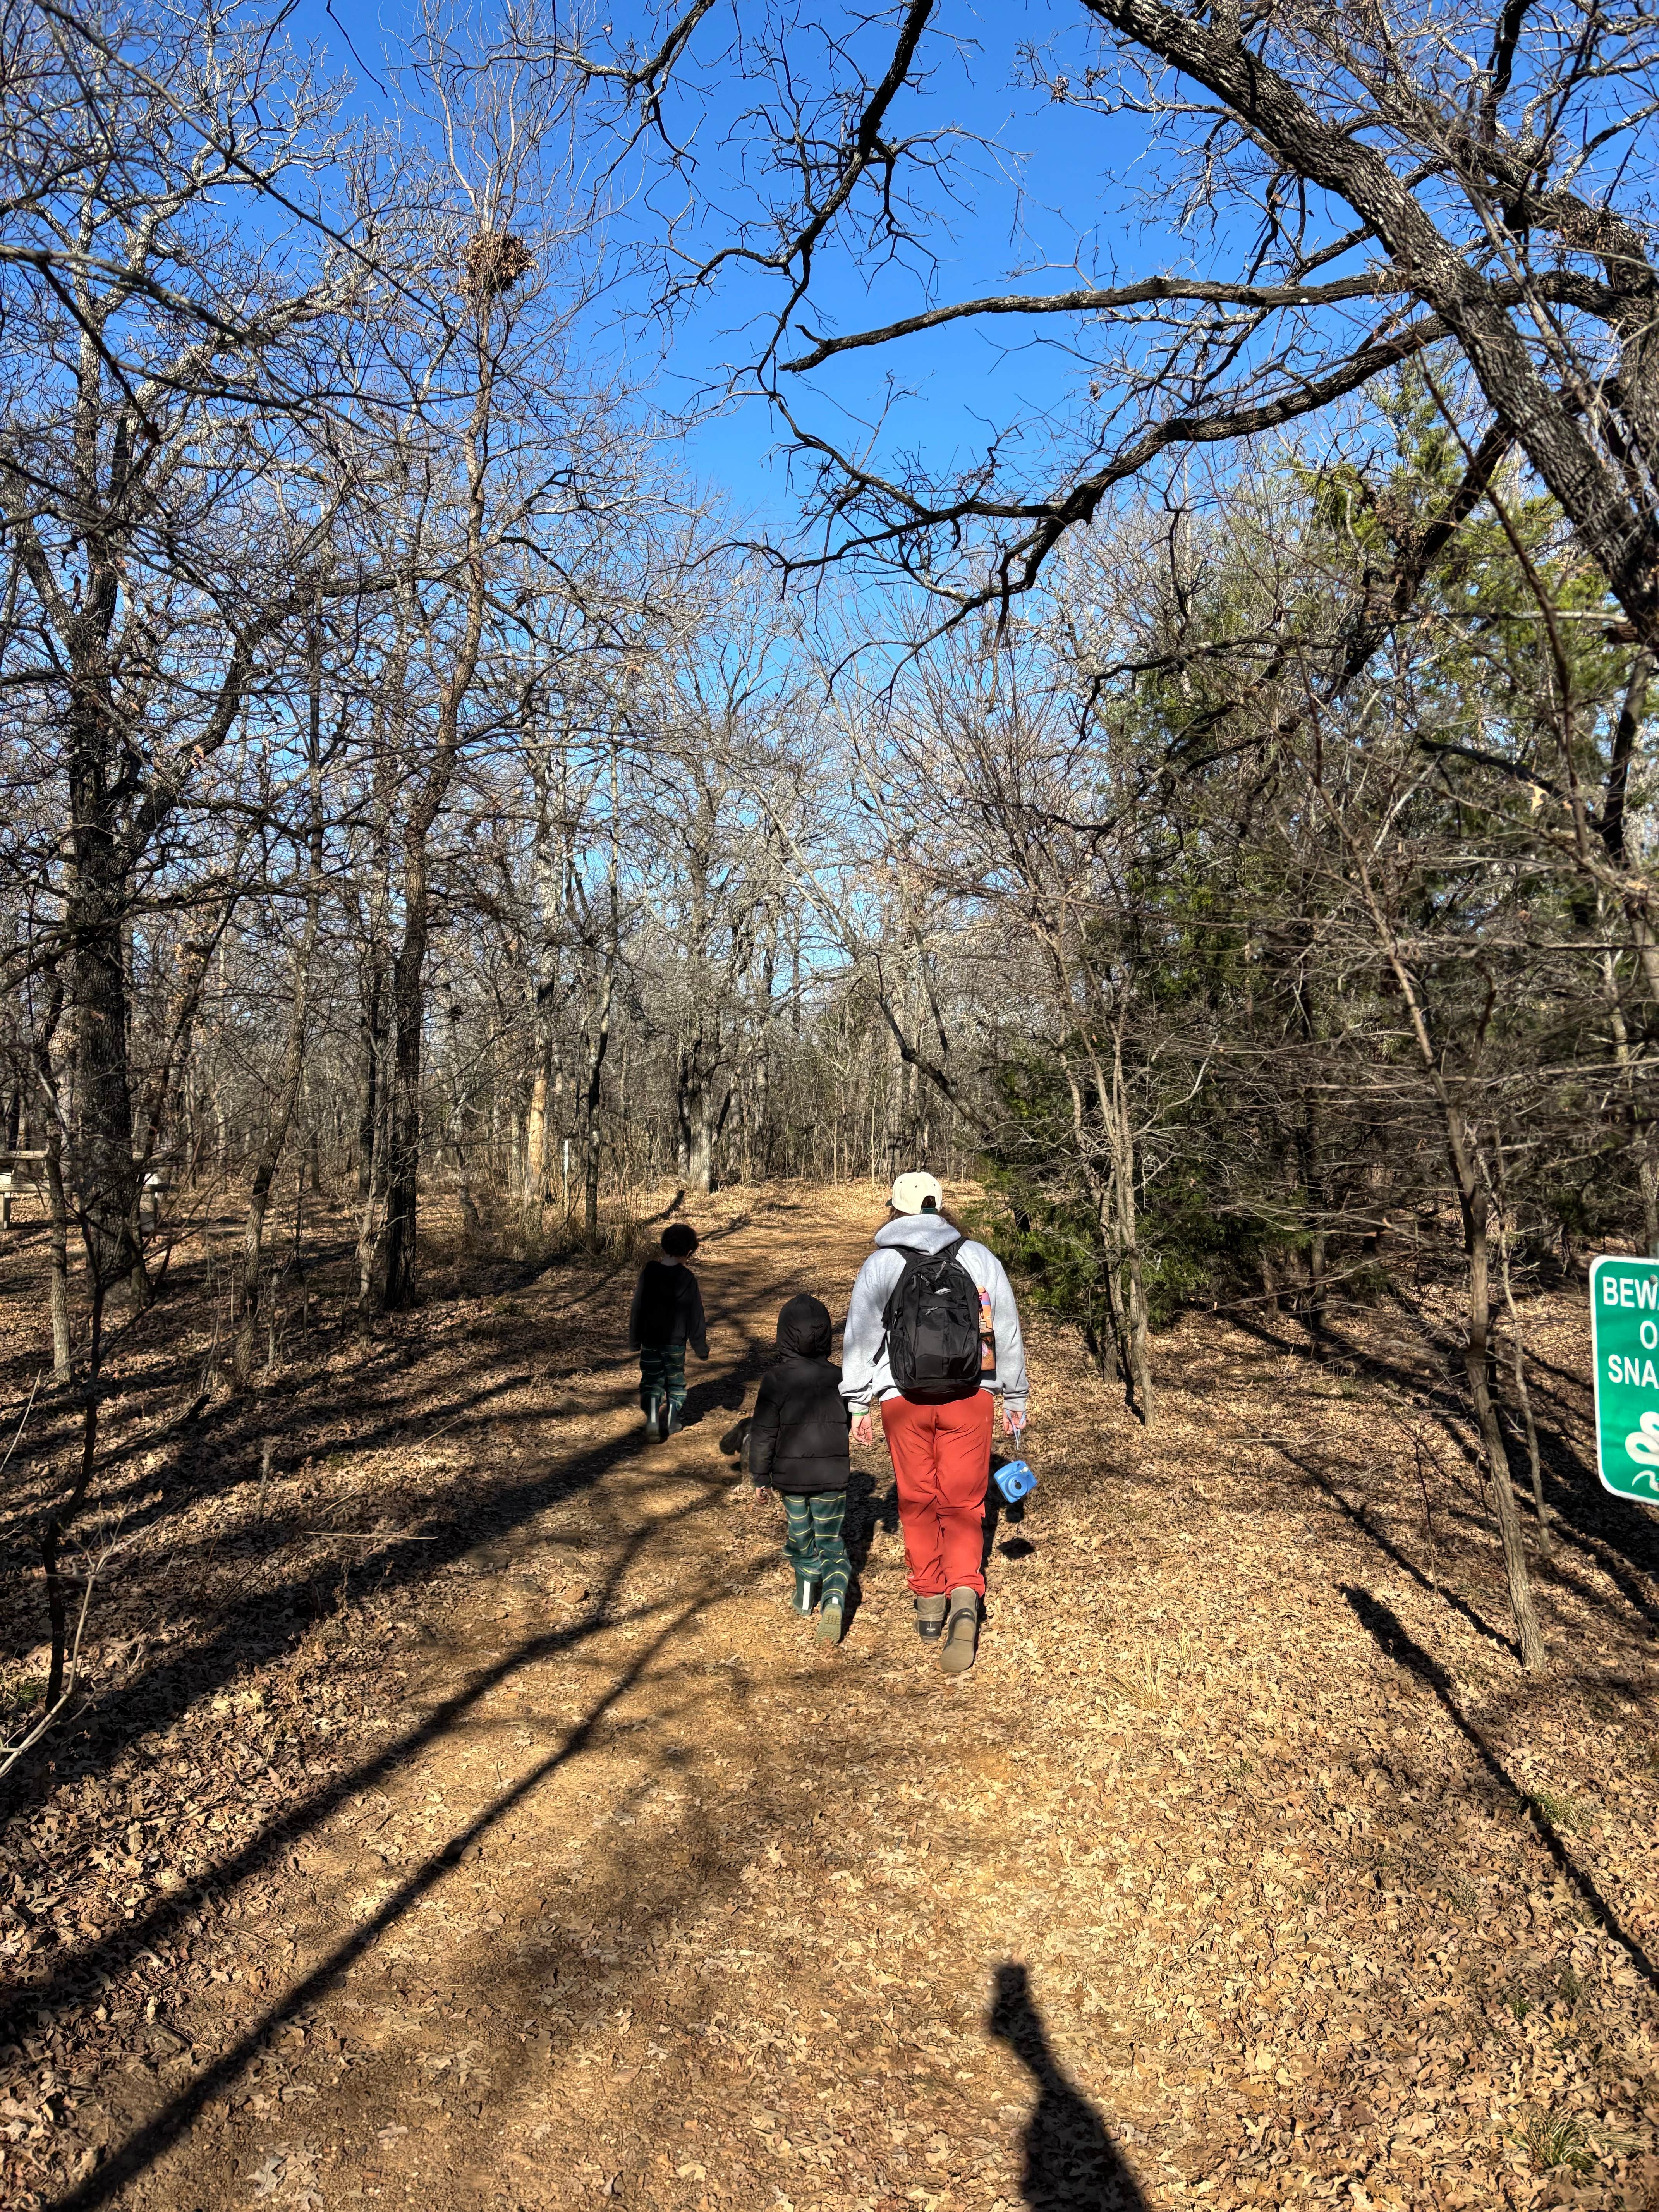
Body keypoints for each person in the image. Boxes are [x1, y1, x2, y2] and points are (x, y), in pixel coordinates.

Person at [841, 1171, 1027, 1674]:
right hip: (971, 1395)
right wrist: (1015, 1394)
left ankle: (929, 1602)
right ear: (939, 1205)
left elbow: (859, 1338)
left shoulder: (881, 1263)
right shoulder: (978, 1257)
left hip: (902, 1399)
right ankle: (966, 1597)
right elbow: (1004, 1328)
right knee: (965, 1502)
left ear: (896, 1208)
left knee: (917, 1498)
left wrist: (858, 1403)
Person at [746, 1293, 854, 1647]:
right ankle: (835, 1598)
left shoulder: (776, 1380)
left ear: (783, 1336)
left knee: (801, 1535)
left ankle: (805, 1594)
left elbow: (763, 1432)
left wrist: (760, 1477)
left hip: (790, 1480)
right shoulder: (841, 1377)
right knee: (831, 1542)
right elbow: (849, 1422)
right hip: (832, 1477)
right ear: (826, 1337)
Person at [628, 1222, 709, 1441]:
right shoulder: (688, 1279)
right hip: (675, 1344)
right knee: (675, 1381)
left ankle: (653, 1421)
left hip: (650, 1341)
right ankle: (672, 1420)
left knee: (651, 1380)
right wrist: (700, 1347)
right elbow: (696, 1316)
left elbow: (638, 1308)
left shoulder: (650, 1273)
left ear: (663, 1247)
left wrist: (634, 1340)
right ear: (689, 1252)